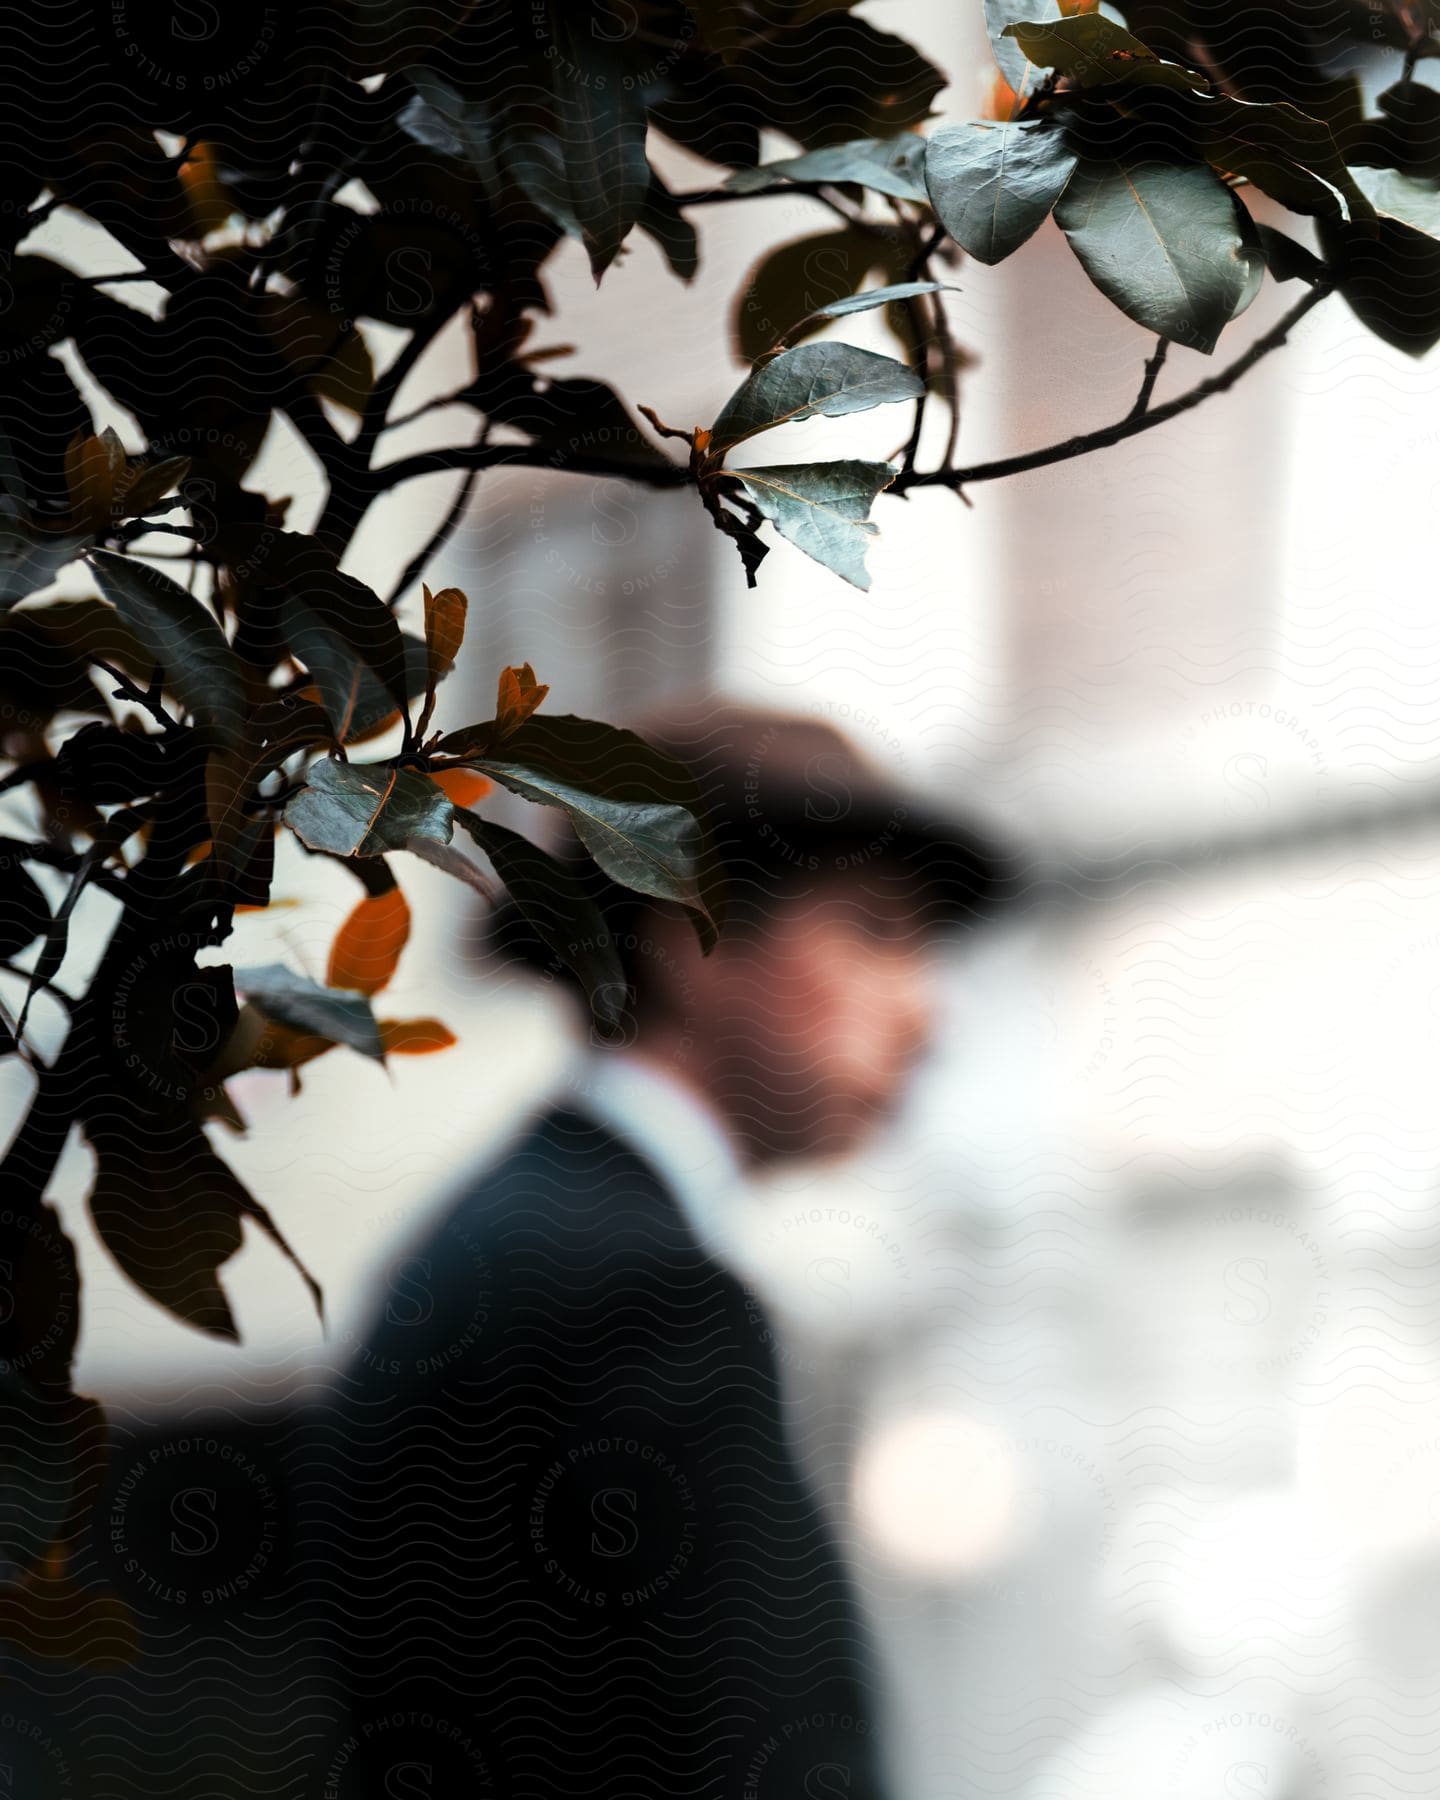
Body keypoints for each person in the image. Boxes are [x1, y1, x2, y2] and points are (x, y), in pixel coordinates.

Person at [321, 701, 1014, 1800]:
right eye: (874, 932)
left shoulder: (513, 1240)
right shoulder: (635, 1288)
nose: (926, 1014)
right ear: (686, 931)